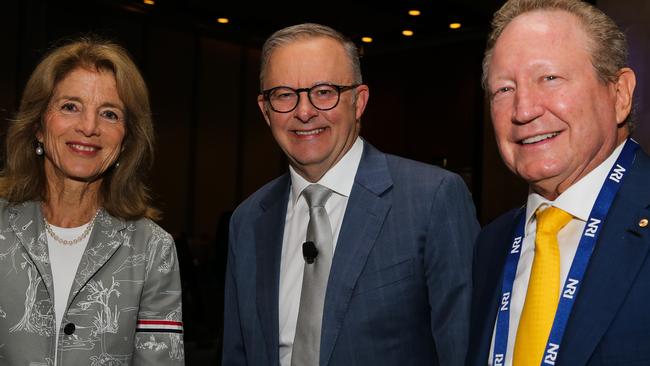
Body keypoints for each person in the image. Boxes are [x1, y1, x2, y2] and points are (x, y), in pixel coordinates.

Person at [222, 23, 479, 366]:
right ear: (265, 110)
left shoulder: (433, 200)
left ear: (359, 102)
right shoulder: (248, 220)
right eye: (284, 94)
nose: (304, 111)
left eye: (324, 91)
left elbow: (463, 350)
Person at [467, 0, 647, 365]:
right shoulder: (491, 243)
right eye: (504, 89)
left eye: (549, 78)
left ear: (620, 93)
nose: (523, 110)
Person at [0, 37, 184, 365]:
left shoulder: (152, 249)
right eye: (71, 106)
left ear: (126, 140)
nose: (88, 127)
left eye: (109, 114)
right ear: (39, 125)